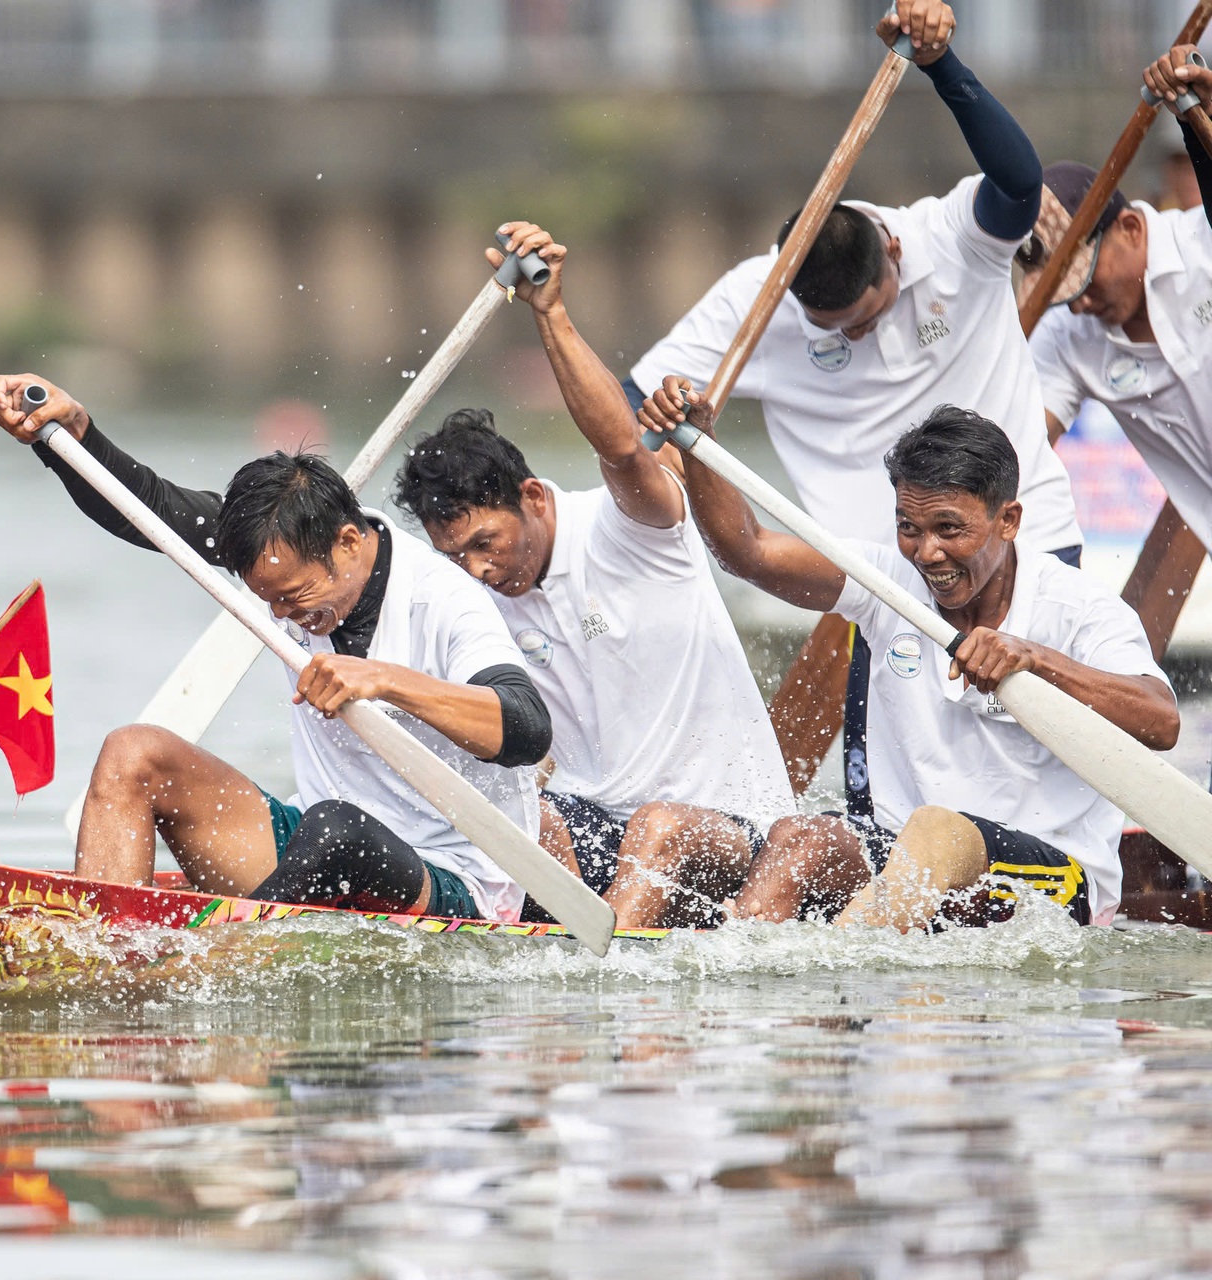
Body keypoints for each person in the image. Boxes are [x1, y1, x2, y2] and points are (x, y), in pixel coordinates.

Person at [626, 0, 1083, 805]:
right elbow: (637, 403)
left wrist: (945, 66)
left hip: (1022, 544)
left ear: (893, 255)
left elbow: (1018, 183)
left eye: (867, 319)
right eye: (834, 331)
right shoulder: (757, 298)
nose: (858, 339)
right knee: (885, 802)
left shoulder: (948, 239)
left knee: (1022, 777)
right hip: (884, 582)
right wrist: (665, 412)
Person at [0, 377, 553, 922]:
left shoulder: (446, 598)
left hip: (451, 877)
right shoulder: (275, 546)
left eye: (295, 598)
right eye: (270, 601)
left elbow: (528, 729)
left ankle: (220, 965)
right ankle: (100, 955)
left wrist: (383, 679)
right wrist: (71, 437)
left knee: (338, 831)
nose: (283, 616)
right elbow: (150, 511)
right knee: (133, 753)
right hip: (310, 848)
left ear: (349, 543)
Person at [640, 379, 1179, 929]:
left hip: (1053, 876)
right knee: (800, 838)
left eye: (949, 528)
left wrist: (1034, 660)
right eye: (908, 528)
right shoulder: (887, 583)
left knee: (937, 832)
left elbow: (1160, 722)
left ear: (1008, 521)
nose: (927, 554)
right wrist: (697, 444)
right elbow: (748, 553)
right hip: (902, 858)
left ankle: (842, 965)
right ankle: (757, 980)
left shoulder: (1077, 607)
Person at [390, 222, 795, 929]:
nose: (479, 570)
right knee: (515, 820)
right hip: (596, 828)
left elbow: (621, 446)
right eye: (457, 558)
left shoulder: (630, 530)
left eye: (486, 543)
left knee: (660, 828)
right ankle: (554, 997)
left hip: (734, 834)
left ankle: (600, 984)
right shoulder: (470, 601)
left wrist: (550, 312)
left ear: (535, 498)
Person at [1030, 47, 1212, 568]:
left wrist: (1203, 110)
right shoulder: (1066, 335)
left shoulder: (1202, 243)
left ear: (1131, 229)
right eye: (1062, 292)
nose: (1080, 303)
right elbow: (1018, 447)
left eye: (1086, 277)